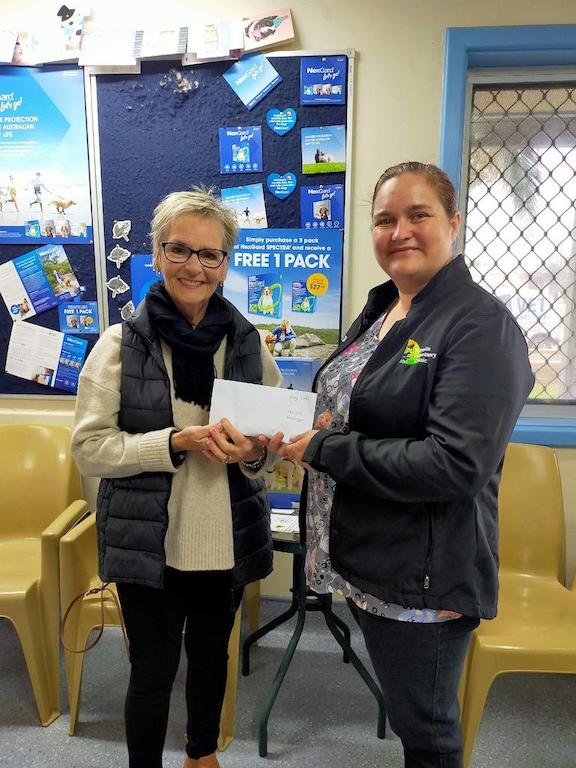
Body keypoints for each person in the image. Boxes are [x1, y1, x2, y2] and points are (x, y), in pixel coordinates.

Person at [263, 162, 534, 768]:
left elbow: (454, 463)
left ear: (454, 223)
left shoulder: (480, 324)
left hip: (422, 577)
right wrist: (299, 429)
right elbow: (364, 408)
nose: (400, 231)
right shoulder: (387, 307)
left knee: (427, 734)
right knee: (414, 719)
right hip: (370, 557)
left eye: (418, 215)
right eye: (385, 219)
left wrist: (324, 448)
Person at [72, 188, 281, 768]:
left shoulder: (248, 344)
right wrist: (173, 444)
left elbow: (270, 446)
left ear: (225, 263)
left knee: (212, 660)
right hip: (150, 545)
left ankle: (200, 756)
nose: (195, 266)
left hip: (225, 540)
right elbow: (89, 449)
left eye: (210, 254)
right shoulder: (120, 345)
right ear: (157, 255)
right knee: (152, 673)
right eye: (180, 249)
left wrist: (253, 454)